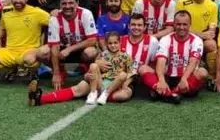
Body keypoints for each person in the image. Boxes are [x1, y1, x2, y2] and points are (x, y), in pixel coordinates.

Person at [29, 14, 157, 106]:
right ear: (128, 26)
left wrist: (126, 83)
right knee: (77, 89)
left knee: (124, 94)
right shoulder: (118, 40)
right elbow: (97, 61)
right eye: (133, 24)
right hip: (101, 79)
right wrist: (93, 69)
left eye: (140, 25)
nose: (136, 27)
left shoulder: (150, 42)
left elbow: (133, 72)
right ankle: (40, 98)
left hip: (120, 82)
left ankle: (102, 94)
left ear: (145, 27)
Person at [0, 0, 50, 75]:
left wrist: (48, 44)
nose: (18, 1)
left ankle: (32, 73)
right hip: (10, 51)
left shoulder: (37, 12)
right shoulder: (6, 11)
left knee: (29, 60)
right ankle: (10, 70)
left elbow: (55, 23)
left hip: (28, 51)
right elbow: (1, 27)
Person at [37, 0, 99, 89]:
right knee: (41, 53)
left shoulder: (86, 14)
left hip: (80, 49)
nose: (67, 6)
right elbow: (54, 46)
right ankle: (61, 71)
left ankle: (88, 70)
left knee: (91, 52)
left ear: (77, 3)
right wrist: (56, 73)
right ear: (60, 5)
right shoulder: (54, 18)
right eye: (64, 3)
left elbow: (92, 40)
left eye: (71, 3)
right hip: (61, 51)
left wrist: (69, 49)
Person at [153, 11, 209, 104]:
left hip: (187, 80)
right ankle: (168, 91)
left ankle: (168, 94)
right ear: (174, 24)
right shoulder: (166, 39)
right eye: (178, 24)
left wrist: (184, 79)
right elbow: (161, 60)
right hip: (169, 78)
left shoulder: (196, 40)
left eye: (184, 24)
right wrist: (161, 80)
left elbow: (193, 62)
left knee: (203, 72)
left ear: (190, 25)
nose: (181, 27)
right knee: (144, 68)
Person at [177, 0, 219, 75]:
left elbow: (212, 29)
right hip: (185, 38)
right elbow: (179, 27)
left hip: (202, 40)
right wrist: (201, 34)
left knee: (212, 44)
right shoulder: (182, 3)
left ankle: (212, 76)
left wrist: (209, 33)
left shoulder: (213, 5)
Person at [85, 31, 133, 105]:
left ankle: (105, 94)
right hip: (101, 83)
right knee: (93, 65)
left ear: (120, 43)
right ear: (106, 44)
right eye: (110, 43)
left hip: (115, 85)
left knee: (123, 74)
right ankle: (93, 93)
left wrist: (126, 84)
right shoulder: (102, 55)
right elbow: (92, 72)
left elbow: (131, 73)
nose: (113, 45)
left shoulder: (126, 56)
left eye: (115, 43)